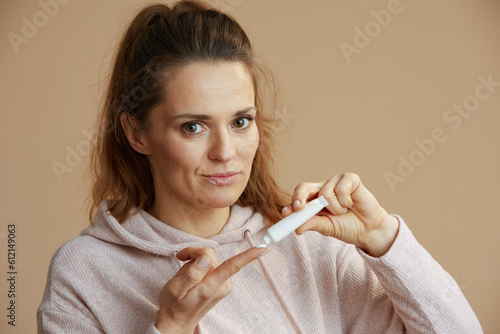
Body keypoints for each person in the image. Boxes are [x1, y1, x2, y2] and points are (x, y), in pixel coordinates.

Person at [37, 1, 483, 333]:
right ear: (137, 133)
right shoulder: (85, 271)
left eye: (240, 121)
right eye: (193, 126)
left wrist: (384, 239)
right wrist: (169, 328)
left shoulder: (312, 245)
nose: (225, 151)